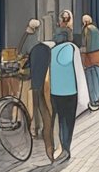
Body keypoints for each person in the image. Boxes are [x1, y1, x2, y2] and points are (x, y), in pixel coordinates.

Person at [47, 34, 89, 164]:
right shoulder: (71, 48)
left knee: (61, 120)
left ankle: (63, 147)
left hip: (55, 92)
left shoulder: (52, 51)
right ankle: (66, 148)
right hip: (70, 92)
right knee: (68, 122)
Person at [23, 20, 55, 160]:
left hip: (36, 81)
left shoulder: (32, 45)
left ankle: (35, 130)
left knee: (35, 107)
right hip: (46, 82)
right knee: (44, 108)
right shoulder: (47, 50)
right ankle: (45, 131)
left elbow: (28, 61)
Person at [80, 14, 99, 109]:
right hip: (98, 54)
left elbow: (86, 44)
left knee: (91, 77)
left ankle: (94, 99)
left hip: (89, 56)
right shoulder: (96, 29)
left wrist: (82, 52)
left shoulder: (87, 30)